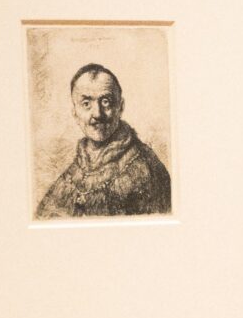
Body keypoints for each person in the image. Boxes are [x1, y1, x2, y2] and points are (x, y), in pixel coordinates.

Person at [35, 63, 170, 218]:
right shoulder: (73, 172)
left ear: (120, 107)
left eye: (106, 101)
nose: (97, 114)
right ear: (75, 113)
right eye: (86, 104)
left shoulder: (147, 168)